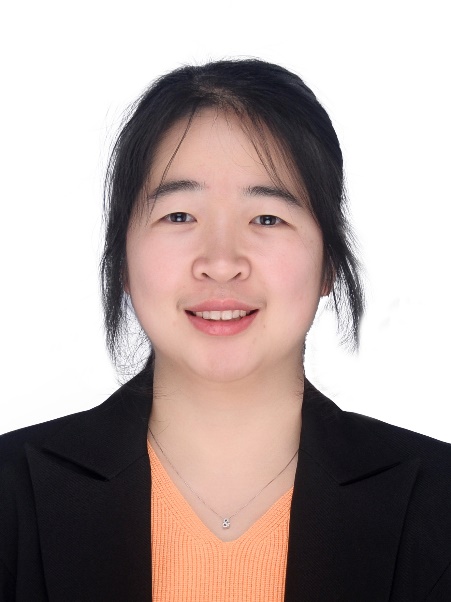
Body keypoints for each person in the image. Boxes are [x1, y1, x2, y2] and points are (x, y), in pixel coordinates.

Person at [1, 59, 450, 602]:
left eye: (266, 218)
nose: (220, 262)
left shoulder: (438, 505)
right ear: (123, 259)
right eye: (179, 216)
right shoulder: (11, 497)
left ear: (329, 261)